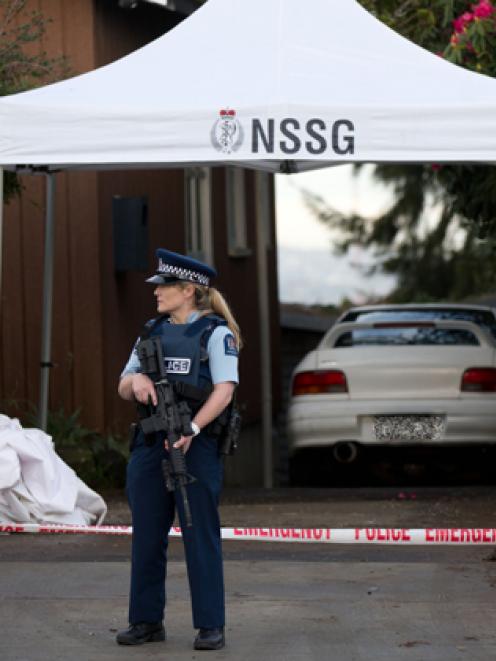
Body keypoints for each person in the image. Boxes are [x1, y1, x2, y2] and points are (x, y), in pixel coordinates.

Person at [116, 248, 241, 651]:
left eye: (164, 287)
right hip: (151, 444)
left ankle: (210, 625)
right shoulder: (151, 332)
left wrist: (192, 426)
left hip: (196, 446)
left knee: (198, 533)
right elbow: (123, 382)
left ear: (188, 290)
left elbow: (225, 390)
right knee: (147, 535)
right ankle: (146, 621)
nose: (156, 293)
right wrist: (135, 384)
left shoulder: (216, 334)